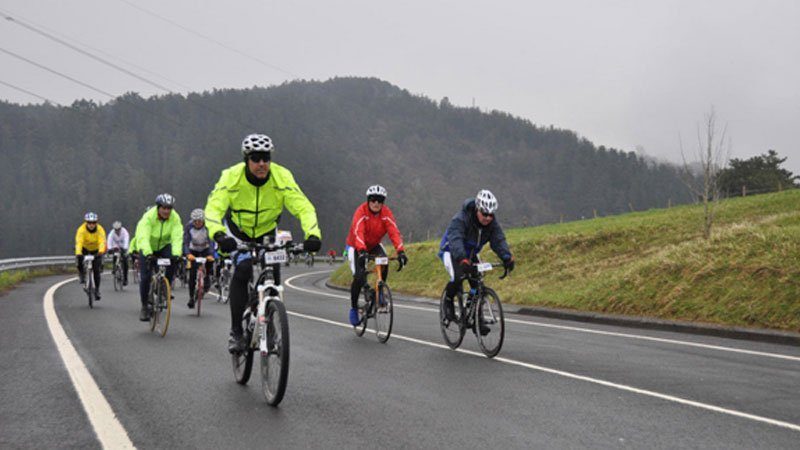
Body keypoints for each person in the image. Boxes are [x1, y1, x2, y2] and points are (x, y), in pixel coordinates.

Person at [205, 133, 322, 353]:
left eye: (266, 158)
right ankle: (236, 333)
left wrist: (313, 234)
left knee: (273, 273)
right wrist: (219, 234)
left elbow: (303, 207)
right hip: (237, 232)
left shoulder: (281, 176)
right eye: (256, 158)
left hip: (267, 231)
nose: (262, 164)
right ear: (246, 159)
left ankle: (270, 317)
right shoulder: (230, 177)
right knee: (243, 268)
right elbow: (213, 208)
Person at [439, 189, 514, 331]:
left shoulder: (492, 224)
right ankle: (448, 302)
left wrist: (507, 257)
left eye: (491, 215)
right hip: (452, 251)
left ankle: (476, 319)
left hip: (471, 254)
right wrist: (462, 258)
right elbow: (455, 239)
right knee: (458, 276)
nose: (488, 218)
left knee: (477, 282)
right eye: (485, 214)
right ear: (477, 209)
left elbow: (498, 240)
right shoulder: (461, 219)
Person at [344, 185, 408, 326]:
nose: (376, 203)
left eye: (380, 200)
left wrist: (401, 251)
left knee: (384, 261)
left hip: (373, 245)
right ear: (368, 200)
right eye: (373, 200)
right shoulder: (361, 211)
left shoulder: (386, 213)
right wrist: (361, 251)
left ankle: (379, 292)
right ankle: (354, 308)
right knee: (359, 276)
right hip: (355, 246)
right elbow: (358, 232)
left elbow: (394, 232)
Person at [135, 194, 183, 321]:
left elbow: (177, 236)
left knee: (173, 260)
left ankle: (164, 287)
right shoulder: (148, 217)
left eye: (169, 208)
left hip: (164, 245)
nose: (167, 211)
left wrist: (177, 254)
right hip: (148, 246)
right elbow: (143, 236)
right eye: (164, 208)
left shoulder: (175, 218)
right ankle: (145, 306)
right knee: (145, 277)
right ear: (158, 207)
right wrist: (148, 253)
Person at [183, 208, 215, 308]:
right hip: (193, 250)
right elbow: (186, 242)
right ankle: (191, 297)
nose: (197, 223)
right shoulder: (189, 227)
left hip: (205, 248)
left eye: (200, 221)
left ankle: (207, 278)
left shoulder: (208, 227)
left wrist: (211, 254)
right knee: (192, 274)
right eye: (195, 221)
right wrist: (188, 253)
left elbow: (211, 243)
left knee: (210, 261)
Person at [74, 212, 106, 301]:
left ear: (96, 223)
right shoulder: (81, 230)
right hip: (85, 248)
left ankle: (97, 290)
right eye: (89, 223)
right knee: (79, 260)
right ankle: (81, 274)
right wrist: (78, 253)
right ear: (86, 222)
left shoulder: (100, 229)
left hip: (96, 250)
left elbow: (102, 242)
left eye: (93, 223)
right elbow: (79, 242)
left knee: (96, 270)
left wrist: (101, 252)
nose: (91, 225)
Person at [106, 221, 130, 286]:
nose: (117, 231)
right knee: (115, 255)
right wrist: (109, 248)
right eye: (116, 230)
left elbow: (126, 240)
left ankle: (125, 278)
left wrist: (125, 248)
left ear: (120, 228)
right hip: (115, 246)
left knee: (125, 261)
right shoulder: (112, 233)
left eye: (118, 229)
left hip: (123, 247)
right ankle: (114, 267)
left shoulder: (124, 232)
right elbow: (109, 241)